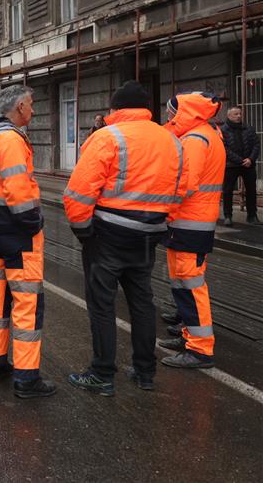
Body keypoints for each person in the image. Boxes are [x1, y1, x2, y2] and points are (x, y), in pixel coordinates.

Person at [64, 80, 187, 395]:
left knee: (102, 304)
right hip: (148, 235)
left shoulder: (107, 137)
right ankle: (145, 372)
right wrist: (162, 222)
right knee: (142, 302)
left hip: (107, 233)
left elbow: (79, 192)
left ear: (116, 108)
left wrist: (83, 231)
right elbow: (180, 190)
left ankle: (102, 373)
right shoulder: (171, 140)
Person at [0, 84, 57, 399]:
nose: (33, 111)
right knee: (27, 304)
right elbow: (18, 190)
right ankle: (27, 377)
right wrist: (32, 223)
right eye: (32, 105)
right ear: (20, 107)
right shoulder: (10, 139)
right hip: (17, 233)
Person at [155, 92, 225, 369]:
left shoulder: (196, 139)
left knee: (191, 284)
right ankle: (189, 336)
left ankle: (200, 349)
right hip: (190, 222)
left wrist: (160, 209)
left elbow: (184, 183)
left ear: (185, 112)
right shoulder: (203, 133)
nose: (170, 116)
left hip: (190, 222)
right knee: (183, 283)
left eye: (173, 111)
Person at [220, 106, 260, 226]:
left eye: (240, 114)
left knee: (251, 190)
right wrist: (240, 160)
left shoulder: (249, 128)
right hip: (231, 165)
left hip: (248, 165)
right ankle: (228, 216)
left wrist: (251, 159)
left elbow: (256, 144)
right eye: (235, 114)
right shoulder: (223, 130)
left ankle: (252, 216)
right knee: (228, 191)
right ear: (229, 116)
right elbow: (224, 149)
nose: (239, 116)